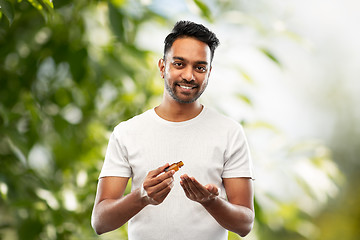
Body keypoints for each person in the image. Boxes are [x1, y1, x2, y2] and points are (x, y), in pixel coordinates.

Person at [91, 20, 255, 240]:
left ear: (209, 73)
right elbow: (100, 222)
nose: (189, 76)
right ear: (162, 66)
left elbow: (245, 223)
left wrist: (210, 201)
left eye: (200, 67)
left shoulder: (229, 132)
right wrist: (142, 196)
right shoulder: (127, 132)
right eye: (179, 64)